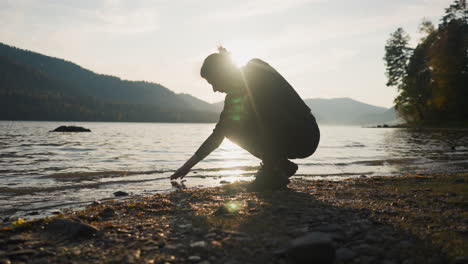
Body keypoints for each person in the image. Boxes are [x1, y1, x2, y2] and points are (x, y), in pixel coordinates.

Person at [170, 47, 320, 191]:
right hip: (285, 138)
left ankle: (270, 171)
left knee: (258, 107)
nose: (214, 89)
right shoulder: (233, 99)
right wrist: (187, 166)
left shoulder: (256, 69)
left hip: (305, 133)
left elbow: (269, 112)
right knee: (229, 128)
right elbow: (218, 135)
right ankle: (281, 166)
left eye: (213, 82)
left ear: (221, 73)